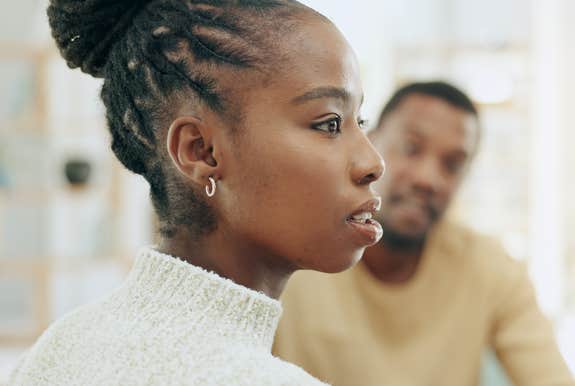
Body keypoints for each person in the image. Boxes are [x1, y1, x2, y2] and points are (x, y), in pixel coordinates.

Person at [9, 0, 384, 385]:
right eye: (329, 124)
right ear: (201, 151)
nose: (373, 162)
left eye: (360, 121)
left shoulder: (58, 347)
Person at [274, 81, 575, 386]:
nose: (427, 179)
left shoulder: (491, 269)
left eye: (452, 165)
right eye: (411, 148)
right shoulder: (290, 254)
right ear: (370, 143)